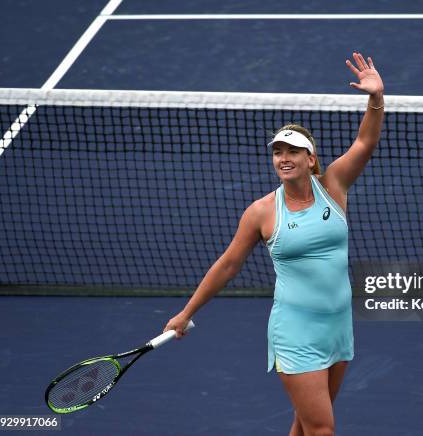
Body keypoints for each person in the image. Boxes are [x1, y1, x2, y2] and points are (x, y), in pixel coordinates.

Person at [164, 52, 384, 436]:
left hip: (337, 326)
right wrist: (186, 312)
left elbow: (365, 142)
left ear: (310, 158)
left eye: (292, 151)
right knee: (321, 429)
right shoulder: (262, 212)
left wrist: (376, 98)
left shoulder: (333, 185)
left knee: (304, 424)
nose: (283, 158)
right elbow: (228, 265)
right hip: (295, 332)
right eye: (278, 152)